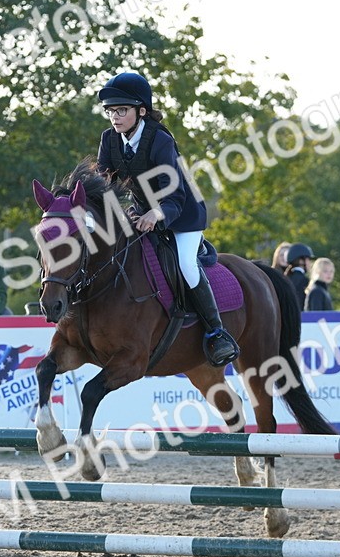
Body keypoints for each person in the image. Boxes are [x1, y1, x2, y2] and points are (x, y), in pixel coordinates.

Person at [95, 71, 239, 367]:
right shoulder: (109, 139)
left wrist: (155, 214)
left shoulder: (160, 140)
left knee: (185, 263)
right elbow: (104, 184)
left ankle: (216, 333)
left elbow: (174, 194)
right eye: (111, 111)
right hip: (141, 211)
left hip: (182, 214)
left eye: (121, 110)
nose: (115, 117)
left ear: (141, 111)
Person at [284, 243, 314, 309]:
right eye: (309, 259)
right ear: (301, 261)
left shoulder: (286, 279)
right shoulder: (304, 280)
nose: (310, 263)